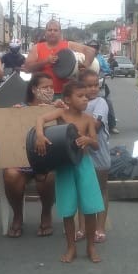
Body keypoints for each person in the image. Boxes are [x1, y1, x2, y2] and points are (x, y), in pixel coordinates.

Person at [35, 79, 105, 263]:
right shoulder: (61, 113)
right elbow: (40, 119)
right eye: (80, 96)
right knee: (67, 208)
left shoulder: (89, 119)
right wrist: (40, 135)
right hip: (65, 165)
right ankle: (71, 247)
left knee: (90, 208)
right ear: (67, 99)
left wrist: (88, 140)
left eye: (86, 97)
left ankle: (90, 246)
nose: (85, 100)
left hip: (84, 164)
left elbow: (96, 144)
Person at [2, 72, 59, 238]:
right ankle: (18, 215)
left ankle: (46, 213)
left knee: (48, 177)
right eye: (44, 87)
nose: (49, 90)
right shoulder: (20, 108)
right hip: (23, 160)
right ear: (34, 89)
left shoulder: (57, 108)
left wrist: (59, 108)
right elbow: (10, 135)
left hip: (47, 160)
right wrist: (13, 116)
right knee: (10, 174)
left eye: (51, 87)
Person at [23, 20, 98, 93]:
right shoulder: (36, 48)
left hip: (65, 95)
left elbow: (91, 51)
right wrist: (45, 61)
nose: (52, 32)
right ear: (45, 32)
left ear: (60, 33)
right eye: (50, 30)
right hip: (42, 95)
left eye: (56, 30)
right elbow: (27, 68)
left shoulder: (69, 45)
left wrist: (85, 66)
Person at [79, 69, 110, 243]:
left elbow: (96, 126)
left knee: (101, 189)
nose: (92, 89)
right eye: (88, 86)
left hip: (100, 154)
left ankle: (100, 227)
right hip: (81, 155)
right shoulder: (74, 104)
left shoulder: (101, 102)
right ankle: (82, 227)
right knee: (82, 190)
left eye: (95, 85)